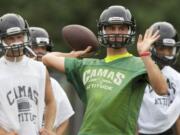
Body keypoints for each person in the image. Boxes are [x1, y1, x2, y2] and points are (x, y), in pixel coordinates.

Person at [42, 5, 168, 135]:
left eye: (122, 28)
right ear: (102, 31)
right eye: (111, 28)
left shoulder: (139, 64)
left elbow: (163, 89)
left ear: (130, 31)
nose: (117, 32)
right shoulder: (87, 65)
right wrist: (72, 55)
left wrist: (145, 56)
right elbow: (47, 58)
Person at [0, 13, 56, 135]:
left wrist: (48, 128)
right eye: (10, 38)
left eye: (19, 37)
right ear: (2, 40)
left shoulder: (39, 68)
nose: (16, 42)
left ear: (26, 36)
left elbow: (51, 101)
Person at [28, 26, 75, 135]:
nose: (40, 52)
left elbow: (64, 118)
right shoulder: (13, 78)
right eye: (35, 47)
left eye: (43, 48)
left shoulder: (53, 84)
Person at [138, 22, 180, 135]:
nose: (166, 53)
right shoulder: (136, 72)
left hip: (167, 130)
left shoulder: (176, 78)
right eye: (162, 48)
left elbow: (177, 115)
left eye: (170, 49)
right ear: (151, 47)